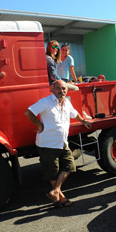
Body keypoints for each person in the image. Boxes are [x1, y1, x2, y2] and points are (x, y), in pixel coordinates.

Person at [24, 79, 92, 207]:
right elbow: (29, 112)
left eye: (64, 89)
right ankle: (61, 198)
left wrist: (83, 121)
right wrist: (39, 124)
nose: (62, 91)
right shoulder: (46, 102)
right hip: (47, 144)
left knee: (70, 166)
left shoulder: (67, 103)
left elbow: (74, 113)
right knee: (52, 172)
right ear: (53, 89)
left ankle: (55, 191)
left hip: (62, 142)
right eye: (59, 88)